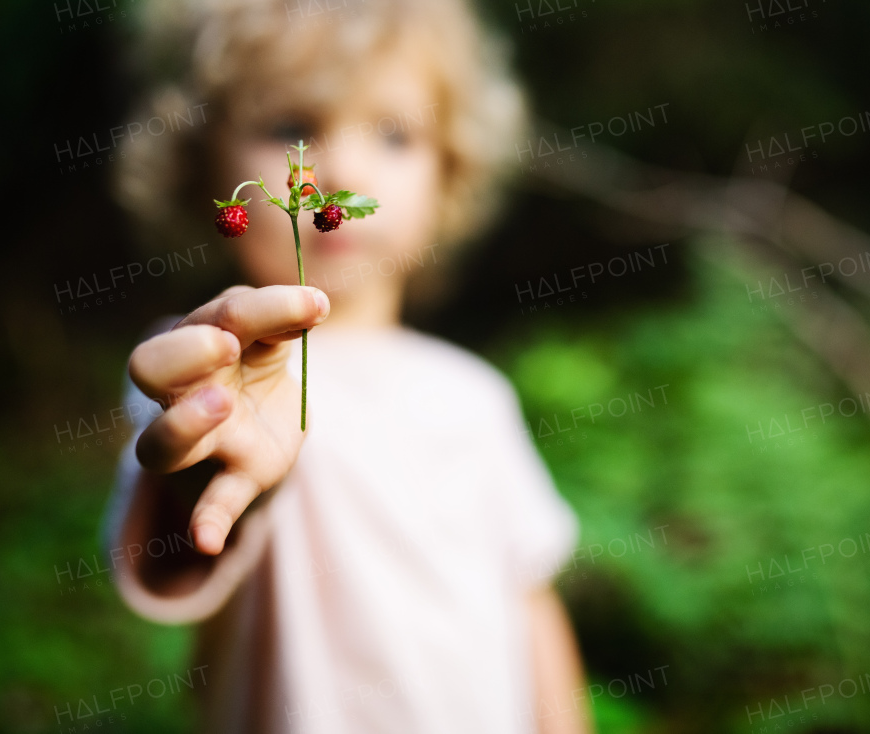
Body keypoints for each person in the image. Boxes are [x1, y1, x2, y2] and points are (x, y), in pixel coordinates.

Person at [101, 0, 591, 732]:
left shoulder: (473, 396)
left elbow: (529, 603)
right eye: (290, 127)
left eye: (394, 134)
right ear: (200, 160)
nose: (339, 171)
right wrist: (208, 470)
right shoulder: (208, 365)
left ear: (451, 169)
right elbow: (184, 529)